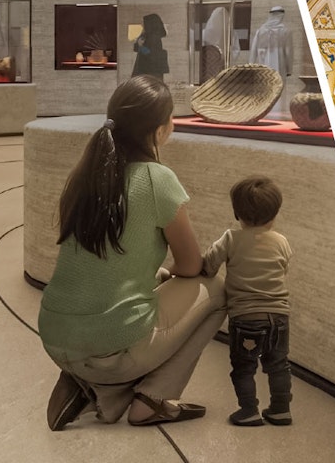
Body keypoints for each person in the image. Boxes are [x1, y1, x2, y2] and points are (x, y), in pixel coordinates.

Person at [39, 75, 226, 430]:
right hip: (108, 349)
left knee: (152, 284)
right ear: (160, 131)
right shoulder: (157, 178)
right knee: (217, 289)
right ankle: (151, 398)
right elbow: (191, 266)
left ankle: (92, 387)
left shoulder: (85, 175)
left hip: (53, 335)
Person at [202, 175, 293, 427]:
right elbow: (282, 269)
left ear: (236, 213)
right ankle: (280, 409)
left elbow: (209, 265)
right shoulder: (281, 242)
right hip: (279, 316)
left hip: (245, 318)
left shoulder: (231, 239)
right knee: (278, 365)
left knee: (244, 367)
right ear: (275, 214)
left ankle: (249, 411)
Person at [132, 13, 169, 79]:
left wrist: (141, 46)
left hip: (150, 70)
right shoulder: (147, 35)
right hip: (149, 70)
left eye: (144, 23)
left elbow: (150, 54)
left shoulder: (153, 37)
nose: (143, 25)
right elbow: (136, 48)